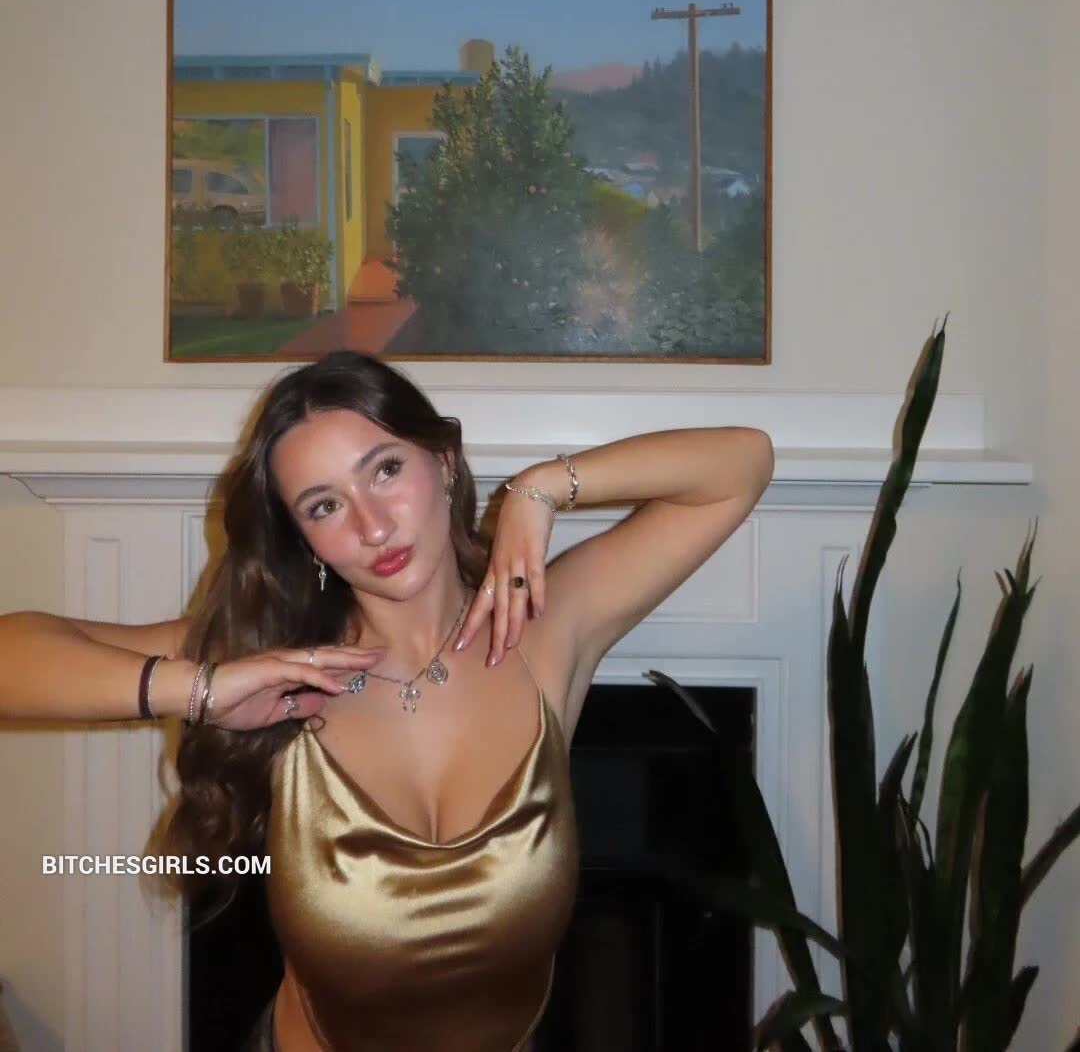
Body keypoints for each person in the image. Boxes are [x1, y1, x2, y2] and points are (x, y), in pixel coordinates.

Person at [0, 349, 774, 1052]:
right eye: (324, 506)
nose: (372, 526)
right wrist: (197, 688)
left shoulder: (546, 628)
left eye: (385, 470)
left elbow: (741, 463)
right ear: (304, 540)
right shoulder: (274, 665)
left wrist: (542, 487)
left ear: (442, 460)